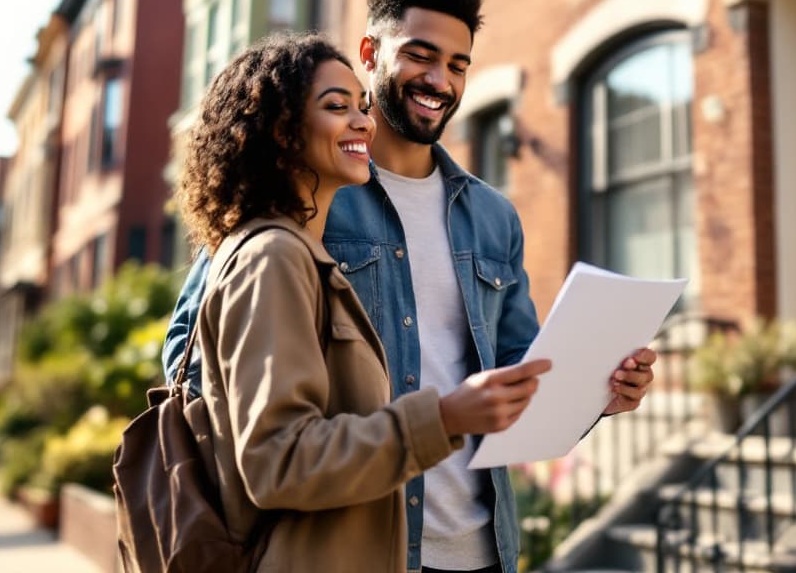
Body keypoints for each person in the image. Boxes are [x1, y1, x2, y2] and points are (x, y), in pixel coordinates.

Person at [165, 0, 657, 573]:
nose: (439, 80)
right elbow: (193, 359)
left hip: (480, 546)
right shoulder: (302, 194)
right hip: (353, 545)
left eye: (458, 64)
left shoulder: (492, 216)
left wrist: (596, 393)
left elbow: (520, 374)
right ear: (370, 53)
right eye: (421, 56)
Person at [173, 32, 551, 573]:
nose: (362, 123)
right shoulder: (274, 256)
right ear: (280, 130)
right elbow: (275, 460)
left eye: (361, 106)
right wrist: (443, 417)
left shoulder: (299, 251)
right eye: (336, 107)